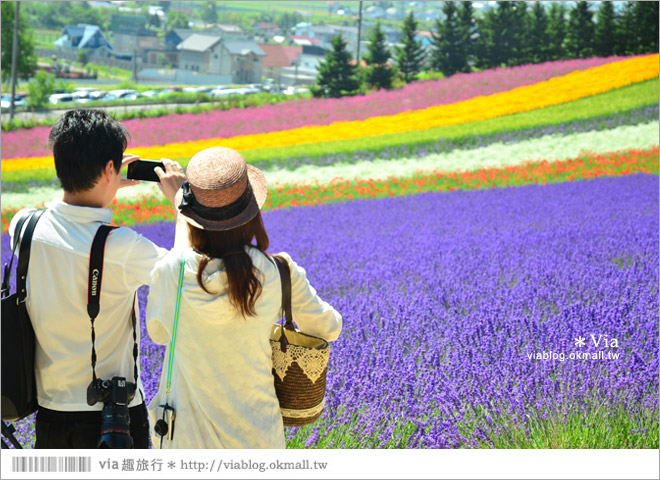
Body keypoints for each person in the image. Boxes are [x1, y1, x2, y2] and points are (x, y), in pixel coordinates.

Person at [8, 109, 187, 448]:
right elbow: (185, 273)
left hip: (48, 412)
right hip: (112, 417)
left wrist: (101, 180)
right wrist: (179, 204)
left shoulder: (23, 226)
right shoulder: (122, 247)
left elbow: (64, 215)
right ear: (110, 168)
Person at [146, 146, 342, 449]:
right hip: (258, 438)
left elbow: (159, 333)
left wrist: (179, 210)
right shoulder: (278, 271)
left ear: (192, 217)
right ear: (252, 213)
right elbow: (330, 328)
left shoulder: (171, 271)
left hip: (186, 439)